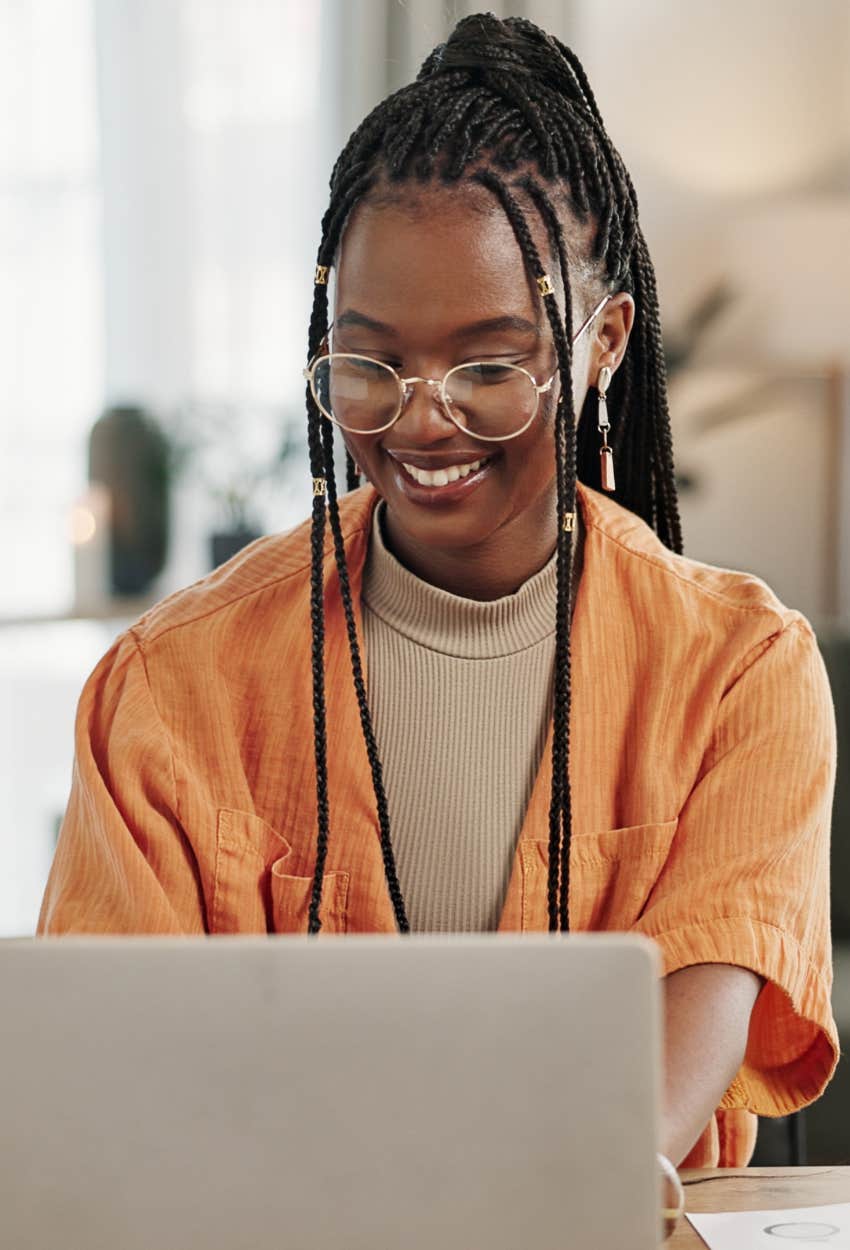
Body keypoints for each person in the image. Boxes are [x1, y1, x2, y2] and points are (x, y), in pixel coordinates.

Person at [39, 13, 837, 1171]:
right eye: (369, 361)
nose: (419, 417)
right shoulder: (171, 683)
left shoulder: (742, 675)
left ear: (604, 340)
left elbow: (651, 1114)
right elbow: (108, 1087)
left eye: (488, 364)